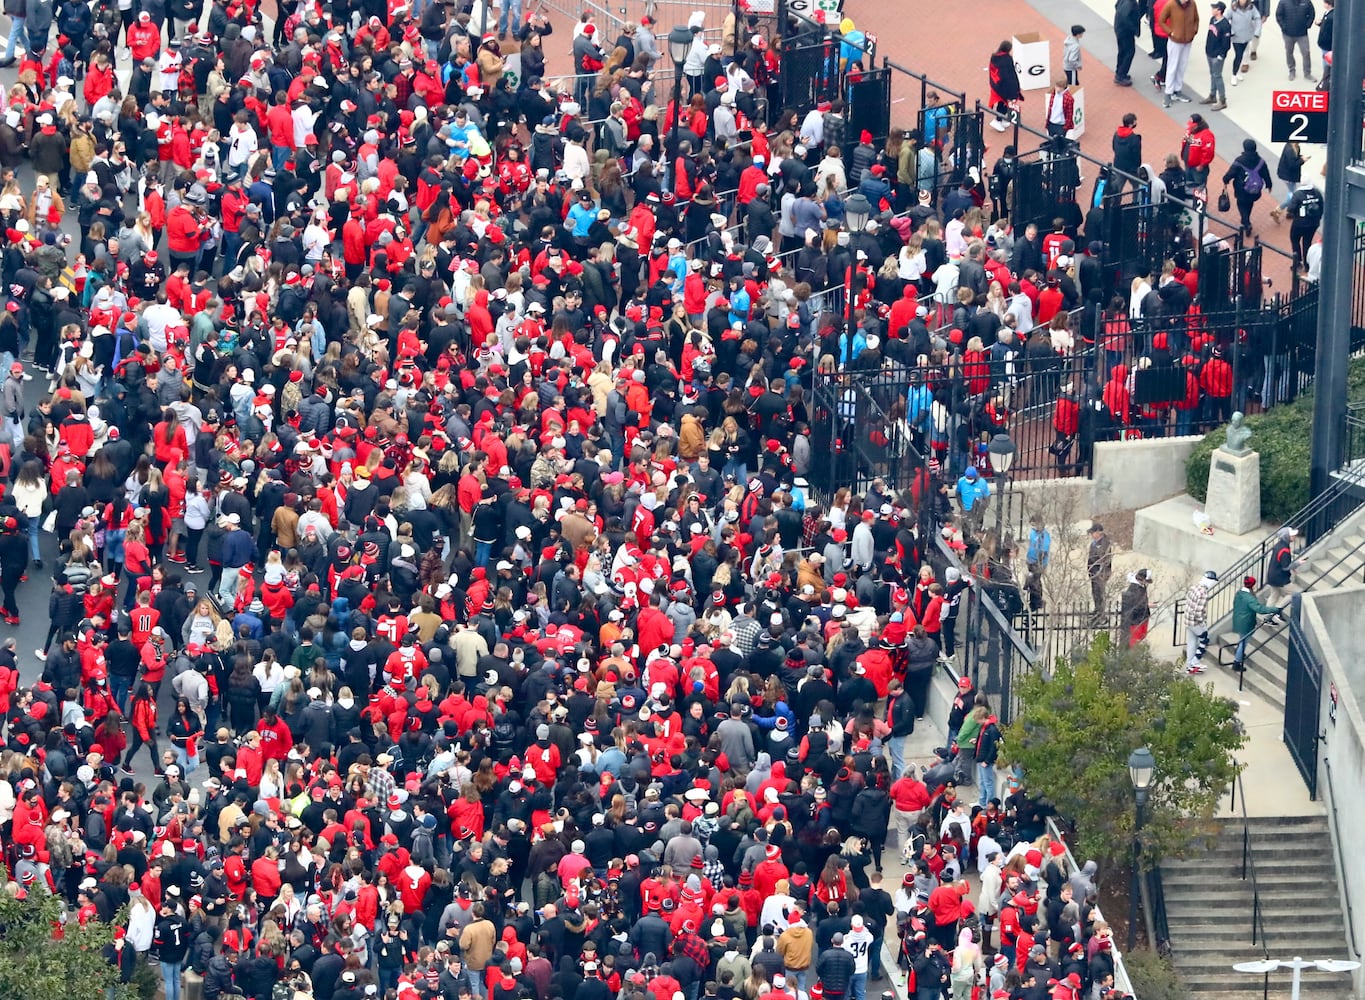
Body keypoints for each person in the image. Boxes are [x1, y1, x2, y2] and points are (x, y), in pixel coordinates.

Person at [1231, 575, 1284, 669]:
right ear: (1253, 586)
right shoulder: (1250, 598)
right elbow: (1259, 609)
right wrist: (1275, 609)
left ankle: (1239, 653)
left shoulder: (1239, 593)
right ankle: (1237, 662)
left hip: (1238, 619)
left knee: (1241, 639)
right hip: (1246, 622)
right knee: (1244, 642)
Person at [1221, 138, 1272, 235]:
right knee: (1249, 204)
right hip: (1255, 190)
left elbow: (1231, 173)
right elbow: (1266, 174)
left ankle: (1246, 223)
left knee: (1241, 204)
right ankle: (1246, 220)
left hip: (1241, 190)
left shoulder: (1240, 161)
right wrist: (1269, 185)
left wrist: (1225, 180)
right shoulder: (1261, 161)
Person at [1159, 0, 1202, 106]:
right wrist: (1171, 32)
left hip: (1188, 41)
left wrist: (1194, 31)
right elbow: (1161, 20)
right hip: (1175, 41)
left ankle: (1177, 90)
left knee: (1182, 66)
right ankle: (1168, 93)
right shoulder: (1171, 4)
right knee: (1172, 66)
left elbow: (1196, 19)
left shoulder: (1192, 4)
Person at [1185, 570, 1217, 673]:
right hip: (1195, 622)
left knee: (1192, 642)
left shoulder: (1193, 588)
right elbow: (1198, 612)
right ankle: (1195, 661)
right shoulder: (1203, 594)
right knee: (1204, 640)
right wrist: (1202, 623)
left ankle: (1189, 665)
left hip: (1188, 620)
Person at [1274, 0, 1316, 80]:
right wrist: (1284, 27)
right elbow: (1279, 15)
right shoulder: (1283, 2)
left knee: (1306, 53)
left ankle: (1307, 73)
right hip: (1288, 34)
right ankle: (1292, 71)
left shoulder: (1307, 2)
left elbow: (1311, 14)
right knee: (1289, 52)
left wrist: (1307, 25)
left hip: (1302, 34)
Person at [1286, 182, 1324, 269]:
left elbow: (1290, 209)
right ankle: (1307, 264)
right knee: (1307, 242)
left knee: (1295, 239)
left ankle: (1297, 262)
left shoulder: (1298, 194)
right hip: (1313, 223)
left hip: (1299, 223)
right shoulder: (1317, 193)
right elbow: (1321, 206)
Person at [1203, 2, 1233, 109]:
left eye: (1214, 8)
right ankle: (1212, 95)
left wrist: (1221, 55)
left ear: (1219, 10)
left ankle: (1222, 100)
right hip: (1209, 53)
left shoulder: (1225, 25)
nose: (1212, 9)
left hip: (1217, 56)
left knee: (1217, 76)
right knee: (1213, 74)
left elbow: (1226, 44)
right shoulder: (1212, 20)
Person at [988, 41, 1023, 131]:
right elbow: (1009, 75)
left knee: (1002, 103)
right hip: (1006, 87)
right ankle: (997, 120)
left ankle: (1002, 119)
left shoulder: (994, 57)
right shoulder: (1007, 59)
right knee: (1004, 104)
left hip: (997, 86)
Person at [1264, 526, 1302, 603]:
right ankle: (1278, 609)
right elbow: (1286, 567)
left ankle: (1269, 612)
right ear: (1286, 537)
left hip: (1272, 576)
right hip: (1280, 578)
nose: (1294, 537)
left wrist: (1292, 567)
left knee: (1274, 596)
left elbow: (1282, 561)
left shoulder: (1278, 545)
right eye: (1292, 535)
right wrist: (1298, 563)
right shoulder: (1284, 550)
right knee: (1294, 594)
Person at [1228, 0, 1263, 82]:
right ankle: (1234, 74)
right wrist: (1231, 31)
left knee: (1243, 53)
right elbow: (1225, 19)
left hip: (1246, 36)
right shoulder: (1233, 7)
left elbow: (1257, 18)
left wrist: (1257, 31)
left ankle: (1236, 73)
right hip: (1236, 37)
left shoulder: (1251, 8)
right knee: (1239, 55)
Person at [1086, 523, 1112, 621]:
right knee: (1095, 592)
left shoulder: (1104, 543)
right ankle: (1097, 610)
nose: (1092, 535)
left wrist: (1100, 572)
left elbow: (1104, 560)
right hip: (1093, 572)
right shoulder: (1094, 543)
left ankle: (1101, 615)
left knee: (1100, 593)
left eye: (1093, 533)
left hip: (1100, 573)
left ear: (1098, 533)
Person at [1119, 569, 1152, 646]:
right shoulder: (1136, 589)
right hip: (1137, 620)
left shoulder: (1139, 587)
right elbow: (1136, 605)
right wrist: (1147, 605)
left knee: (1138, 639)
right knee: (1135, 640)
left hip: (1140, 619)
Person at [1114, 0, 1143, 83]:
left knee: (1122, 51)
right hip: (1126, 32)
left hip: (1119, 29)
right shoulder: (1131, 3)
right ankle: (1121, 75)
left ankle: (1119, 71)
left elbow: (1116, 6)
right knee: (1130, 52)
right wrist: (1134, 29)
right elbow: (1125, 17)